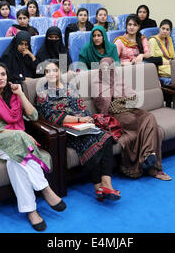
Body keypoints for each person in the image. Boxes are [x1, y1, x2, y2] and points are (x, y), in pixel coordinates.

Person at [0, 62, 65, 231]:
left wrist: (21, 95)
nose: (0, 78)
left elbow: (33, 116)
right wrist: (20, 134)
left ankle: (31, 211)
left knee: (14, 161)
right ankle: (45, 189)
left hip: (16, 144)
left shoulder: (13, 93)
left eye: (3, 74)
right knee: (19, 143)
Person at [36, 59, 121, 202]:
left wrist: (86, 119)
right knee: (90, 142)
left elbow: (82, 107)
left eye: (55, 70)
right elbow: (52, 117)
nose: (52, 74)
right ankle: (99, 186)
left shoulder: (70, 87)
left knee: (105, 136)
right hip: (63, 131)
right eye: (48, 71)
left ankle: (105, 183)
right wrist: (78, 120)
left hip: (82, 125)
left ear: (60, 72)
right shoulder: (42, 93)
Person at [92, 57, 172, 180]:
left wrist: (122, 99)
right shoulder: (96, 83)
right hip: (115, 116)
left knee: (149, 117)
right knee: (143, 124)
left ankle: (149, 154)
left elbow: (134, 98)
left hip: (131, 110)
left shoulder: (120, 79)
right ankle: (154, 168)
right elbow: (104, 105)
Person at [148, 19, 175, 86]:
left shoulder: (169, 39)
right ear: (159, 28)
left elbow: (173, 56)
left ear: (170, 31)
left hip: (171, 64)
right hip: (160, 66)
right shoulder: (153, 40)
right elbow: (150, 59)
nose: (165, 31)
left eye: (167, 29)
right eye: (163, 28)